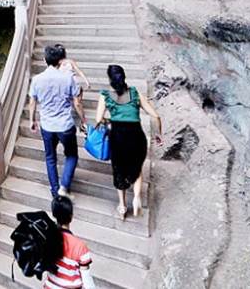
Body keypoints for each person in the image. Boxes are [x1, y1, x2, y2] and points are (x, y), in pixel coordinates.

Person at [94, 64, 163, 220]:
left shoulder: (105, 95)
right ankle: (137, 196)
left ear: (110, 80)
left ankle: (122, 206)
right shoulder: (135, 93)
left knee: (119, 170)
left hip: (118, 138)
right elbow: (155, 116)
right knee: (136, 167)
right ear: (124, 77)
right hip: (136, 137)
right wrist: (158, 134)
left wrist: (109, 120)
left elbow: (98, 120)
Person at [30, 45, 87, 198]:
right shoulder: (68, 78)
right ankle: (64, 185)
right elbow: (77, 102)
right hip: (65, 125)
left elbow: (33, 101)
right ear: (60, 62)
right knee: (72, 156)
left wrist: (32, 119)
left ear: (44, 60)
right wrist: (84, 120)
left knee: (50, 158)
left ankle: (55, 192)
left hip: (47, 125)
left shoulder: (36, 79)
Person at [42, 195, 97, 289]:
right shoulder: (80, 246)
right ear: (71, 217)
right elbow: (86, 279)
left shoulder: (47, 237)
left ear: (54, 215)